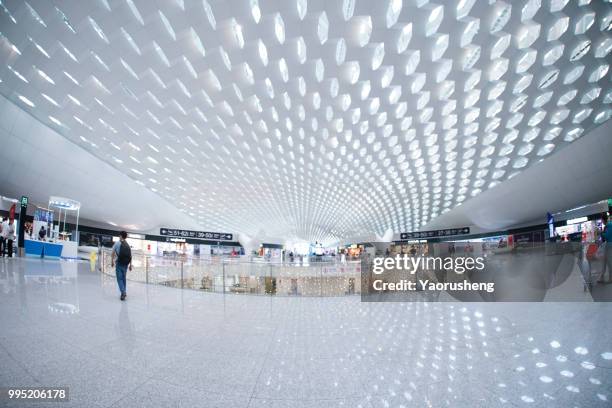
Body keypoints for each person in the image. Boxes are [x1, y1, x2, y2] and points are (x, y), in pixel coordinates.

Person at [111, 231, 132, 300]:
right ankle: (124, 291)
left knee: (119, 278)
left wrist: (112, 261)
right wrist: (130, 265)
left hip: (119, 263)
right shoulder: (127, 244)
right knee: (123, 278)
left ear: (120, 236)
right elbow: (130, 256)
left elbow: (113, 253)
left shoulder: (117, 243)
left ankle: (123, 292)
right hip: (126, 264)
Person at [598, 214, 612, 283]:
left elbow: (607, 236)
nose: (601, 221)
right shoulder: (608, 225)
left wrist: (601, 233)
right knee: (604, 261)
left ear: (603, 220)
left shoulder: (609, 225)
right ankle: (601, 277)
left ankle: (611, 278)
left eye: (601, 220)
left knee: (609, 262)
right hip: (607, 245)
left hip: (610, 245)